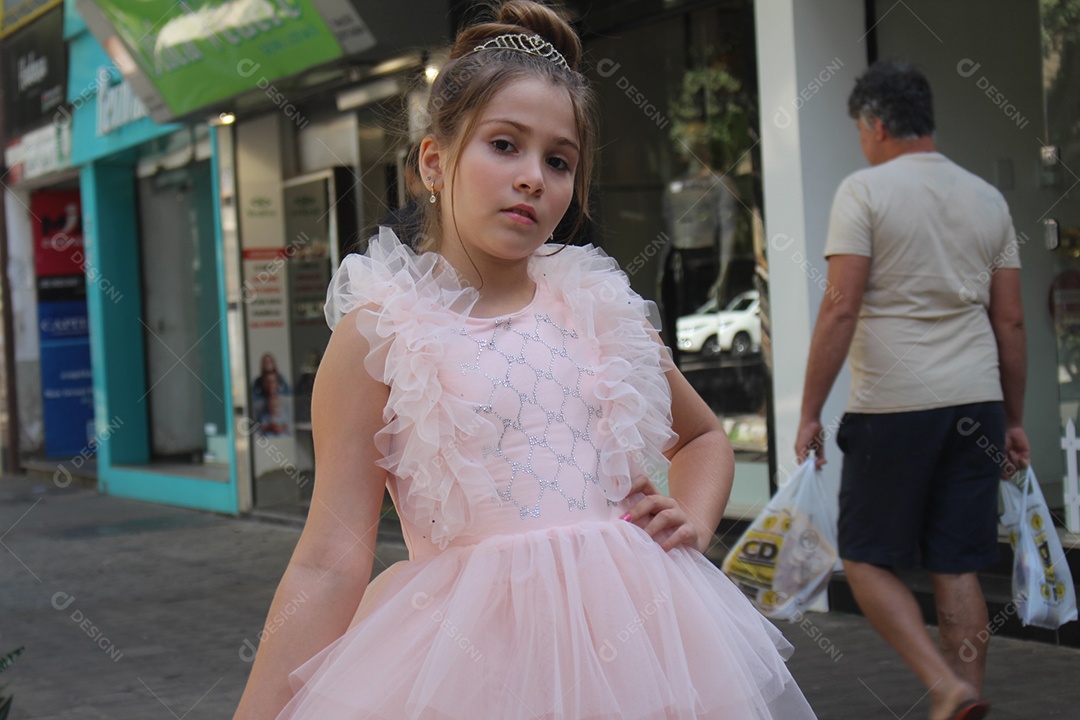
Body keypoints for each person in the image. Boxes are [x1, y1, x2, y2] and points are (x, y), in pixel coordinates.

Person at [234, 3, 817, 718]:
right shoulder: (380, 335)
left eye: (559, 159)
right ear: (434, 161)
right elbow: (330, 557)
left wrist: (694, 521)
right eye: (504, 145)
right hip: (472, 671)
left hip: (641, 649)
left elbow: (700, 437)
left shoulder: (597, 305)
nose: (534, 177)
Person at [794, 60, 1030, 720]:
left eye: (858, 131)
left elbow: (840, 308)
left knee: (865, 558)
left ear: (874, 124)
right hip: (976, 402)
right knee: (956, 565)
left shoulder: (864, 191)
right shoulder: (988, 198)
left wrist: (810, 409)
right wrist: (1013, 418)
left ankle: (945, 686)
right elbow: (1009, 318)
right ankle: (963, 699)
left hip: (894, 407)